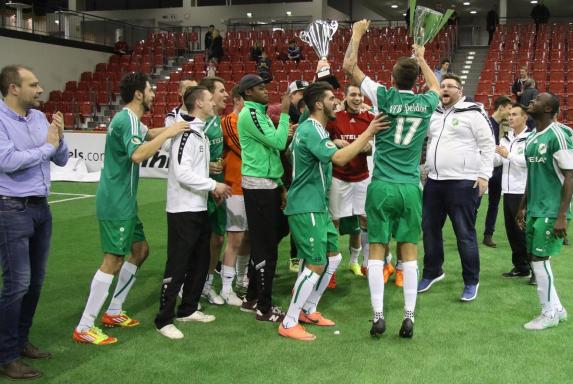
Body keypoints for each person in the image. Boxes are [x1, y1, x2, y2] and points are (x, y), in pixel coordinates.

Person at [72, 72, 189, 345]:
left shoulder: (132, 120)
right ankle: (85, 325)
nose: (153, 94)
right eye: (149, 90)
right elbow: (138, 155)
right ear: (138, 94)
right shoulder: (125, 120)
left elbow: (147, 134)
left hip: (124, 200)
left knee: (140, 250)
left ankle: (113, 311)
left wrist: (182, 126)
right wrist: (170, 132)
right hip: (116, 201)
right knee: (112, 259)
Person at [343, 20, 441, 338]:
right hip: (411, 186)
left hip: (382, 184)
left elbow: (349, 66)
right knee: (409, 250)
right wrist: (423, 58)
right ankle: (409, 317)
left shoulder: (383, 96)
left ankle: (378, 316)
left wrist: (357, 33)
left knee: (377, 249)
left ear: (392, 78)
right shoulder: (426, 102)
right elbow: (437, 89)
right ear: (416, 82)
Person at [279, 82, 388, 341]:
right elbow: (339, 159)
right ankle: (289, 320)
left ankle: (308, 309)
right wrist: (369, 132)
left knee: (334, 258)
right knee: (316, 263)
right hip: (306, 206)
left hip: (316, 205)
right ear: (319, 104)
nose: (336, 102)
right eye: (331, 98)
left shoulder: (315, 128)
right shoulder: (311, 130)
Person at [0, 65, 68, 380]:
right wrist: (48, 147)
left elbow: (61, 158)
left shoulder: (40, 118)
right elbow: (8, 162)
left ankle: (21, 340)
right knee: (18, 284)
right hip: (11, 208)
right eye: (34, 84)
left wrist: (60, 138)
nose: (40, 89)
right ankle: (7, 354)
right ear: (14, 88)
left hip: (41, 207)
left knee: (35, 282)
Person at [155, 86, 232, 340]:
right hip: (182, 210)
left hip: (199, 207)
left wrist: (210, 190)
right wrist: (213, 185)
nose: (214, 103)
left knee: (200, 261)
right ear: (198, 103)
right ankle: (163, 319)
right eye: (210, 99)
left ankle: (187, 310)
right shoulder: (185, 133)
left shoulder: (200, 133)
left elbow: (194, 170)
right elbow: (181, 172)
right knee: (177, 265)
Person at [418, 73, 495, 302]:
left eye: (450, 86)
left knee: (464, 234)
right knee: (430, 230)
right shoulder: (433, 113)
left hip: (463, 182)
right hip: (434, 182)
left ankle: (471, 280)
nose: (445, 89)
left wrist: (484, 176)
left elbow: (488, 144)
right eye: (442, 86)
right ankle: (433, 271)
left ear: (460, 91)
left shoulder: (473, 111)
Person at [237, 74, 290, 322]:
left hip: (267, 185)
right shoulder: (251, 115)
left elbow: (270, 151)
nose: (266, 91)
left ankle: (251, 298)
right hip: (258, 188)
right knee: (266, 248)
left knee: (269, 240)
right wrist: (287, 112)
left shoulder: (261, 113)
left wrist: (279, 185)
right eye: (260, 88)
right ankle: (264, 308)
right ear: (248, 93)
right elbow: (279, 143)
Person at [517, 92, 571, 330]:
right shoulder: (531, 138)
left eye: (537, 100)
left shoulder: (559, 135)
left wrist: (562, 215)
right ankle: (557, 309)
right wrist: (522, 206)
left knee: (539, 258)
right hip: (535, 208)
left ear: (549, 109)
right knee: (535, 258)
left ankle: (548, 313)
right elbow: (532, 175)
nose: (531, 102)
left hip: (552, 209)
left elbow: (570, 174)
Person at [325, 84, 374, 278]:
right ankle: (331, 269)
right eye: (353, 94)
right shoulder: (335, 118)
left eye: (360, 95)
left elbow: (378, 145)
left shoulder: (370, 119)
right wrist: (333, 142)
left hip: (362, 177)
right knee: (334, 222)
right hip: (339, 178)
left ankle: (361, 262)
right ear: (345, 97)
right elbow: (323, 141)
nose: (357, 98)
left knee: (365, 220)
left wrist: (369, 147)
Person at [198, 76, 229, 306]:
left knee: (218, 238)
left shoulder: (219, 121)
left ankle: (207, 285)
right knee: (198, 240)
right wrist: (206, 166)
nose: (226, 94)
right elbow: (184, 159)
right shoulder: (199, 125)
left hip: (219, 187)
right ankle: (190, 284)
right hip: (201, 190)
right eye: (221, 90)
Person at [220, 85, 250, 302]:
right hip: (235, 187)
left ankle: (241, 279)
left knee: (247, 237)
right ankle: (226, 288)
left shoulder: (249, 121)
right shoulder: (230, 121)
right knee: (235, 239)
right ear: (238, 100)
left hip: (250, 186)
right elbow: (244, 149)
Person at [494, 104, 531, 279]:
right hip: (507, 191)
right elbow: (497, 161)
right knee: (512, 232)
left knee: (524, 232)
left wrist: (507, 154)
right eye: (509, 114)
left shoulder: (530, 138)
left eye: (515, 114)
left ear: (525, 118)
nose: (510, 117)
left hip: (522, 192)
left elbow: (527, 161)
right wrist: (489, 155)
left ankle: (536, 270)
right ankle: (521, 266)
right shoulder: (506, 138)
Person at [483, 96, 512, 248]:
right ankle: (467, 233)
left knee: (494, 203)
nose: (510, 112)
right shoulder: (487, 123)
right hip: (484, 168)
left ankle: (488, 235)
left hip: (498, 168)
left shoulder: (503, 125)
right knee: (474, 203)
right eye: (508, 108)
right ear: (501, 107)